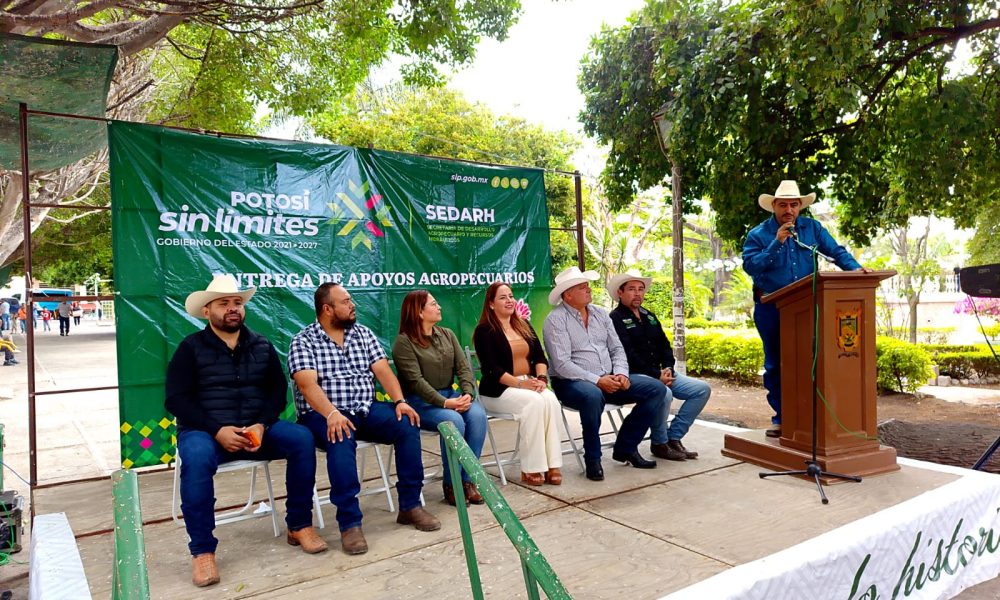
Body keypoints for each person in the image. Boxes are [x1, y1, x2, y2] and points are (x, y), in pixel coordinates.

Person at [165, 275, 326, 588]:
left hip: (256, 430)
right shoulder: (190, 348)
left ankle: (299, 525)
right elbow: (175, 399)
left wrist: (262, 424)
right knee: (195, 457)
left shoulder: (261, 344)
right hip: (206, 433)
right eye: (223, 303)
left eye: (237, 302)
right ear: (207, 311)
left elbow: (277, 392)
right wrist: (216, 430)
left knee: (301, 439)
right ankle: (202, 551)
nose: (232, 308)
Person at [290, 282, 440, 556]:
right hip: (323, 413)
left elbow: (383, 372)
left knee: (407, 423)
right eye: (346, 301)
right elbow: (306, 385)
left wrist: (400, 401)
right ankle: (350, 523)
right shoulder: (304, 340)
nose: (353, 305)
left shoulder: (363, 334)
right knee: (341, 435)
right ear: (327, 309)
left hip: (365, 408)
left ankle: (410, 505)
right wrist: (332, 414)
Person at [743, 180, 868, 438]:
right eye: (783, 205)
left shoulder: (812, 229)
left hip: (807, 307)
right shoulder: (758, 234)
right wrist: (776, 243)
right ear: (774, 206)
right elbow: (751, 266)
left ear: (800, 206)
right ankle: (782, 418)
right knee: (776, 364)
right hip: (771, 308)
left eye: (793, 204)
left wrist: (856, 271)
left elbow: (835, 252)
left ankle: (810, 416)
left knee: (810, 361)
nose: (788, 210)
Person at [542, 266, 665, 481]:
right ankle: (593, 458)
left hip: (609, 377)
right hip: (571, 383)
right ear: (567, 295)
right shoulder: (556, 320)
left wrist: (622, 374)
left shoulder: (600, 313)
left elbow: (617, 349)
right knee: (592, 395)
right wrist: (597, 380)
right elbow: (562, 364)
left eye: (587, 286)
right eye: (582, 287)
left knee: (656, 389)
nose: (588, 290)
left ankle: (626, 447)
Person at [392, 290, 487, 506]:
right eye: (434, 304)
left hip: (451, 395)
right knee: (453, 421)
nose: (439, 307)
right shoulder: (403, 342)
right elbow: (416, 382)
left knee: (478, 416)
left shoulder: (447, 334)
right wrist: (445, 403)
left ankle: (468, 480)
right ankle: (452, 484)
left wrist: (467, 394)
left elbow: (463, 368)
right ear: (419, 312)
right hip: (419, 402)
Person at [608, 271, 712, 461]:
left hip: (661, 373)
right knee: (664, 393)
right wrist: (657, 375)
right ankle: (659, 443)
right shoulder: (614, 318)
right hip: (635, 375)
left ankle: (674, 437)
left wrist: (668, 369)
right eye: (631, 289)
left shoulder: (649, 315)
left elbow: (664, 345)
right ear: (620, 293)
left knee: (701, 389)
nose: (637, 293)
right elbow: (627, 354)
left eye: (641, 289)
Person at [473, 282, 563, 486]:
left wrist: (541, 379)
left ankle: (552, 464)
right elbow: (492, 370)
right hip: (498, 390)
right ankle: (531, 467)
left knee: (550, 400)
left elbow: (540, 357)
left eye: (511, 296)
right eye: (502, 297)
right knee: (534, 403)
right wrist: (521, 385)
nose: (509, 300)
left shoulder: (523, 325)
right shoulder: (484, 331)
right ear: (491, 304)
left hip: (528, 383)